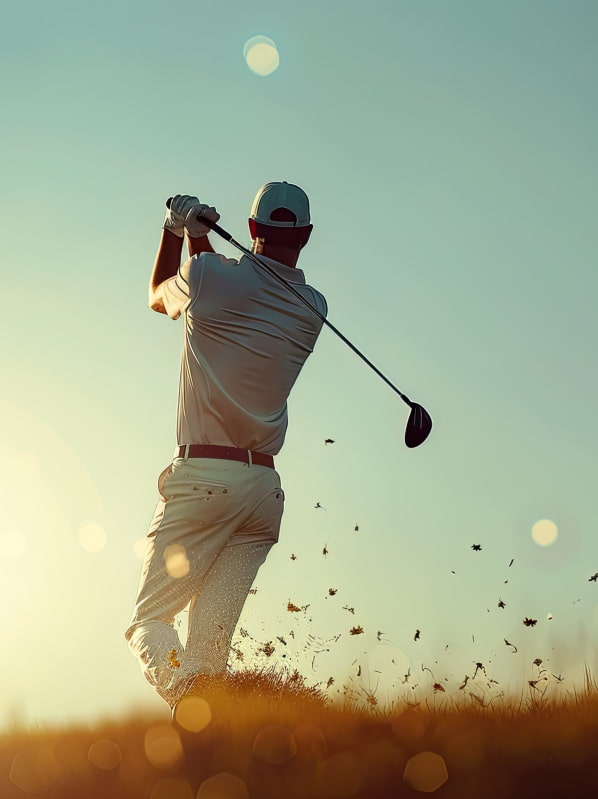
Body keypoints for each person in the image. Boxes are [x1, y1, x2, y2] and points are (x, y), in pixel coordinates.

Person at [125, 182, 327, 709]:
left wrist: (177, 230)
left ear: (253, 228)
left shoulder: (210, 275)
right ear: (305, 235)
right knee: (209, 652)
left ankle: (192, 700)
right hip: (262, 494)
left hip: (205, 482)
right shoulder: (313, 307)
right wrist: (200, 239)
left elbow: (160, 296)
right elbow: (221, 294)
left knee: (151, 619)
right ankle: (206, 742)